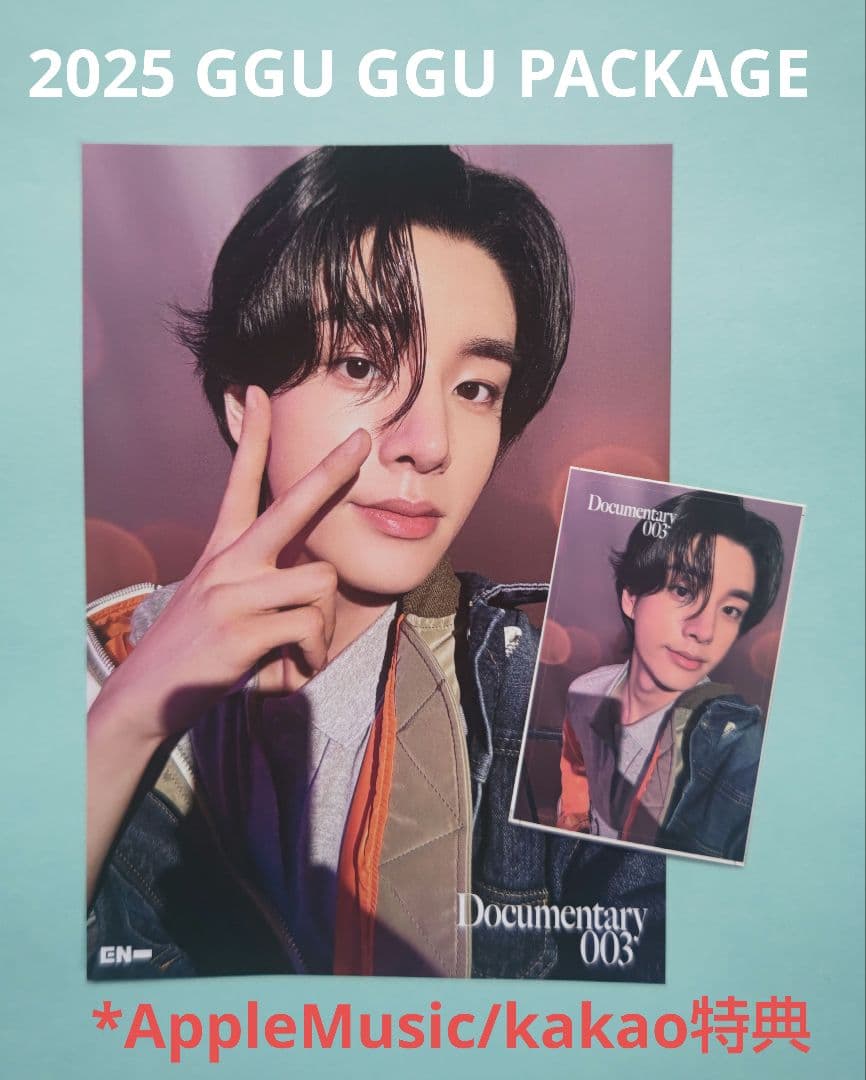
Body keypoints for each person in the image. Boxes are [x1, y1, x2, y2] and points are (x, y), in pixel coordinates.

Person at [86, 145, 664, 980]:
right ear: (243, 403)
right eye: (362, 364)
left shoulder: (557, 700)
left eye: (475, 389)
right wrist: (129, 717)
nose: (429, 444)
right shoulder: (85, 672)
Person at [558, 490, 783, 862]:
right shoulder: (585, 692)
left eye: (730, 610)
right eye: (683, 590)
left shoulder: (734, 746)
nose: (705, 630)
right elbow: (575, 777)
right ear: (631, 598)